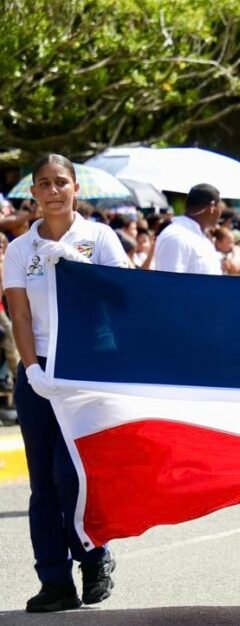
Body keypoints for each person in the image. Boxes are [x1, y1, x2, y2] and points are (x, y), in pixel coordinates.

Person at [2, 155, 128, 612]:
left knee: (72, 473)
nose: (53, 191)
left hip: (88, 367)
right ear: (32, 193)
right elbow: (18, 314)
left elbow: (123, 294)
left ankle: (94, 556)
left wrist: (77, 264)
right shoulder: (20, 249)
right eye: (43, 184)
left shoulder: (99, 237)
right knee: (43, 484)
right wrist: (32, 368)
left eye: (61, 182)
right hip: (39, 368)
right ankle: (54, 579)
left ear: (76, 188)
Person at [151, 183, 223, 275]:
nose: (221, 212)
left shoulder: (200, 237)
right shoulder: (176, 236)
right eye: (220, 206)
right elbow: (170, 284)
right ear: (212, 207)